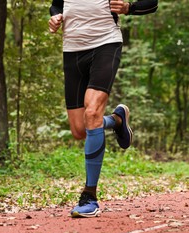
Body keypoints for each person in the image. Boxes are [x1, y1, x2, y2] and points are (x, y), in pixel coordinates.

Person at [48, 0, 158, 218]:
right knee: (79, 130)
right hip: (72, 50)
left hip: (105, 43)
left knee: (92, 113)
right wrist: (55, 17)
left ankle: (89, 197)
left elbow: (152, 3)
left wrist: (129, 8)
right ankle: (117, 120)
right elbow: (56, 5)